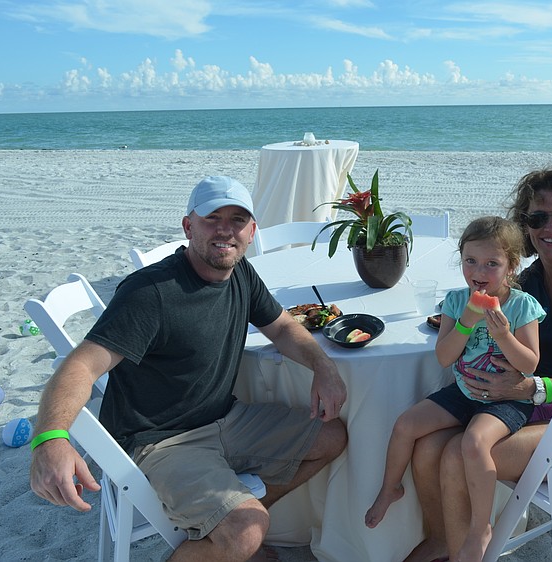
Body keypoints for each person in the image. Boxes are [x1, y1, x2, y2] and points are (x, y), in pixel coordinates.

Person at [30, 176, 348, 562]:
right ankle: (234, 535)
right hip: (159, 442)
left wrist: (324, 366)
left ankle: (231, 530)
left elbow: (281, 327)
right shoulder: (151, 292)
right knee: (246, 531)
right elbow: (81, 365)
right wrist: (50, 438)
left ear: (251, 231)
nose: (224, 230)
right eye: (212, 218)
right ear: (188, 226)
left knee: (331, 437)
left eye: (236, 219)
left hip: (224, 419)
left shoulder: (240, 272)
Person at [404, 169, 552, 562]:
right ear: (524, 227)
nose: (550, 227)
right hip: (532, 408)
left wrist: (533, 387)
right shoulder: (528, 282)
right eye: (536, 218)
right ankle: (445, 540)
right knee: (427, 446)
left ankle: (466, 551)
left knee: (460, 454)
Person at [365, 217, 545, 545]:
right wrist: (465, 322)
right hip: (464, 392)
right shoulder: (455, 302)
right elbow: (444, 357)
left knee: (473, 443)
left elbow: (530, 363)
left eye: (492, 263)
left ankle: (480, 526)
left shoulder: (522, 305)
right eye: (470, 261)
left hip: (507, 401)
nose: (479, 271)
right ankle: (390, 487)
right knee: (406, 425)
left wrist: (504, 335)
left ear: (512, 266)